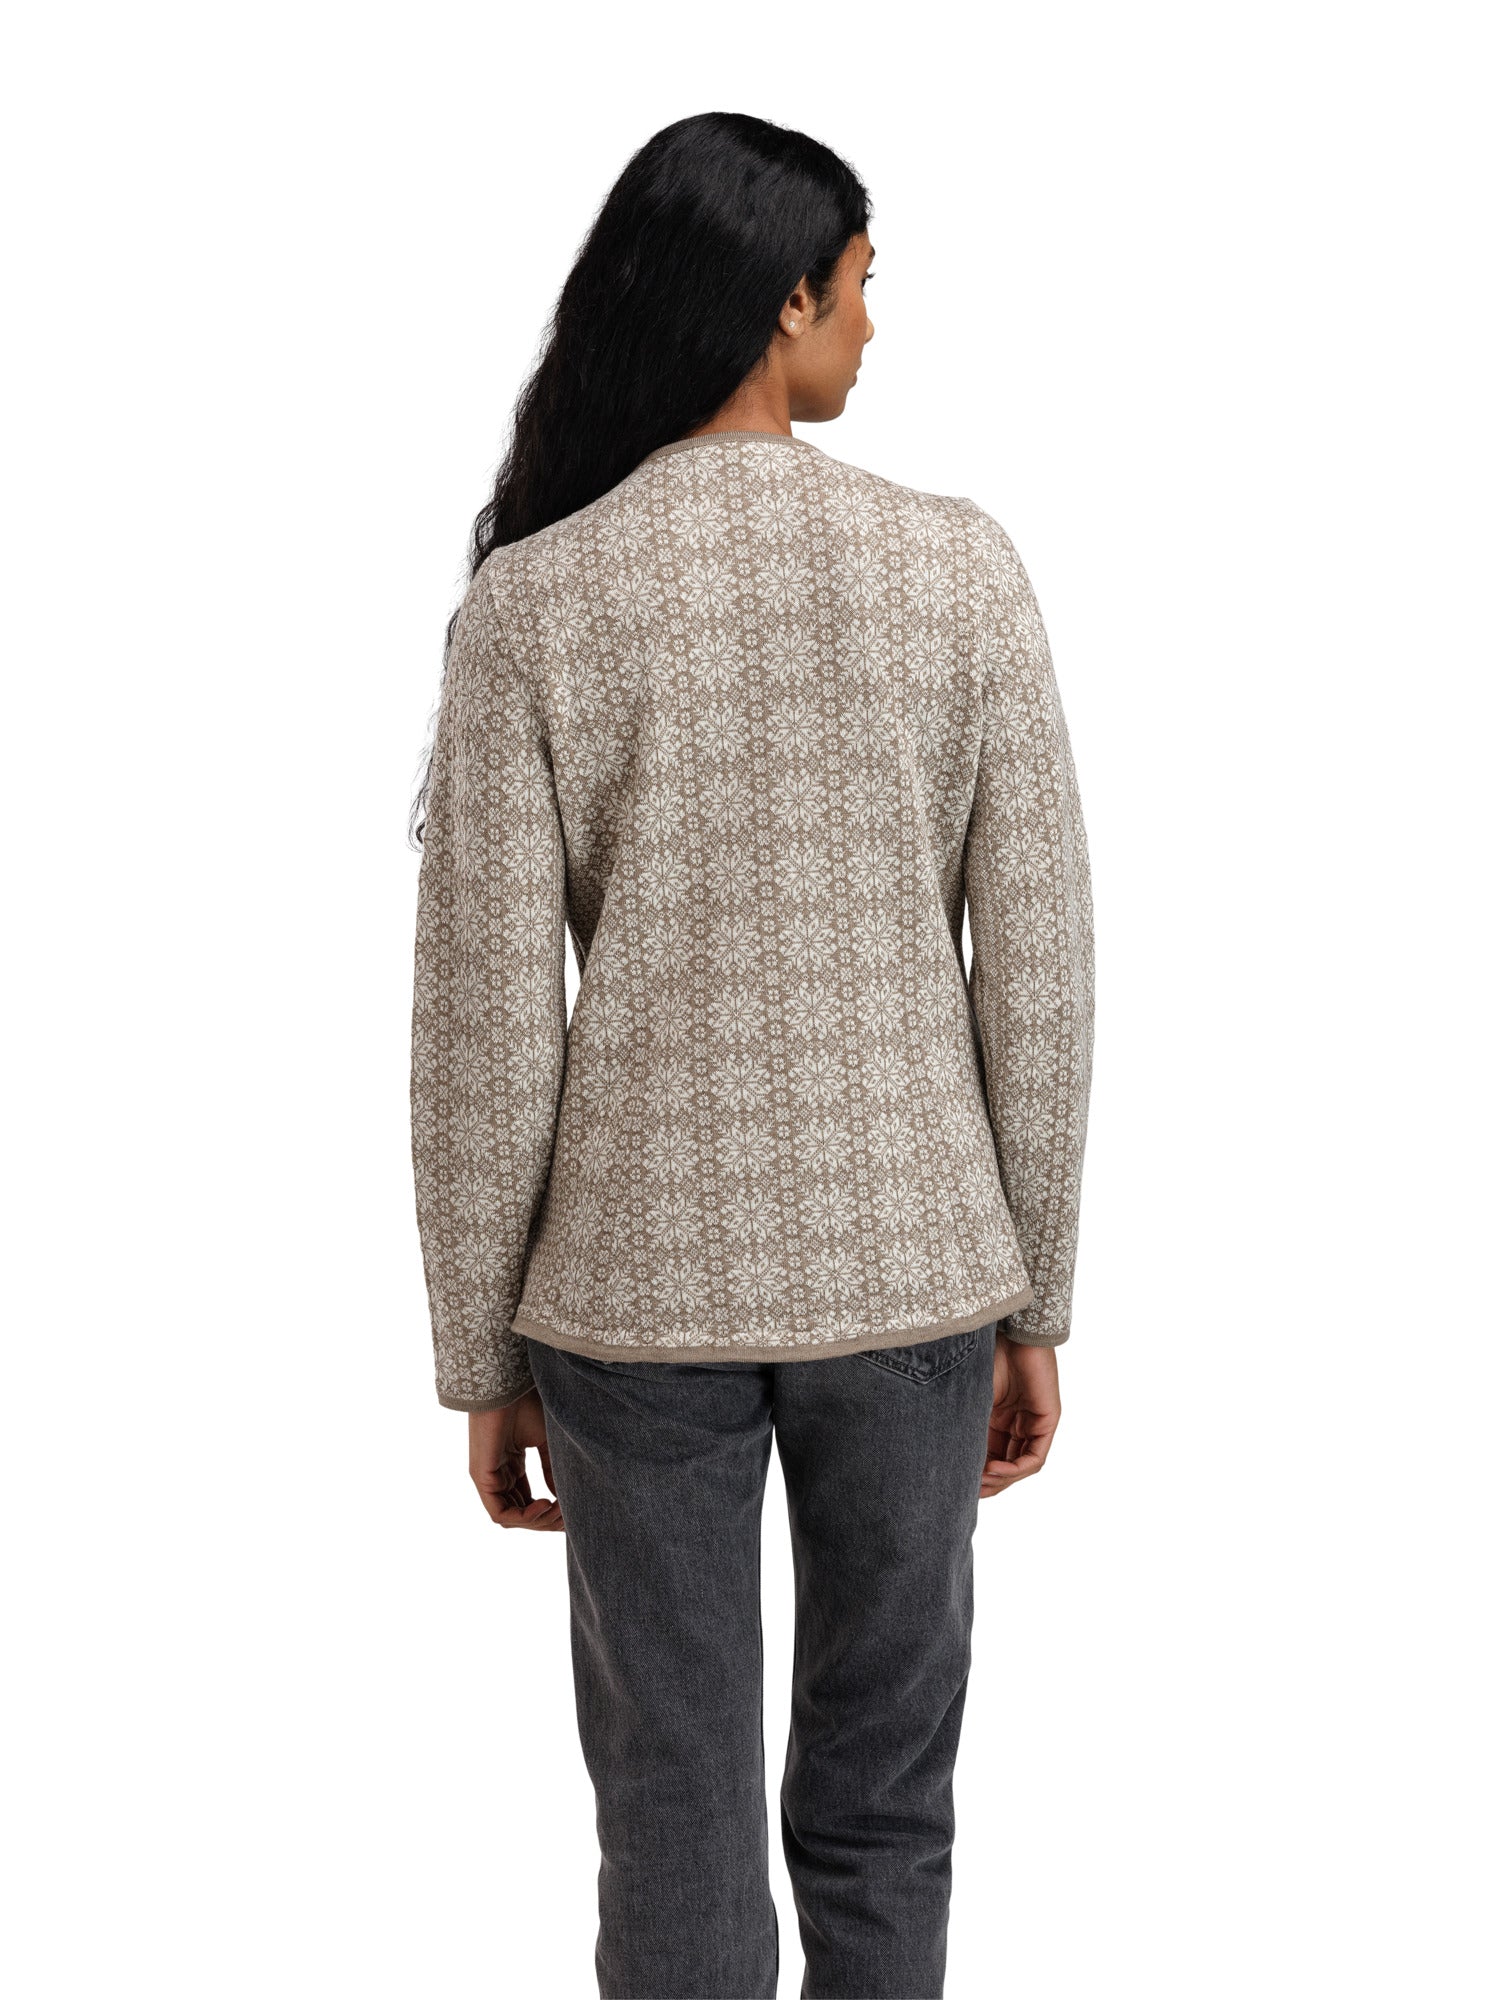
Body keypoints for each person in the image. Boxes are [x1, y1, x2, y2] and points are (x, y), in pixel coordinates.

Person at [410, 110, 1093, 2000]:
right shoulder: (959, 571)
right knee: (885, 1800)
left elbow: (480, 1024)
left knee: (673, 1812)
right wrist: (1036, 1290)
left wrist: (482, 1349)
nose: (874, 325)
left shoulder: (538, 601)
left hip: (632, 1303)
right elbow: (1040, 970)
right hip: (914, 1279)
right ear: (783, 297)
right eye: (861, 286)